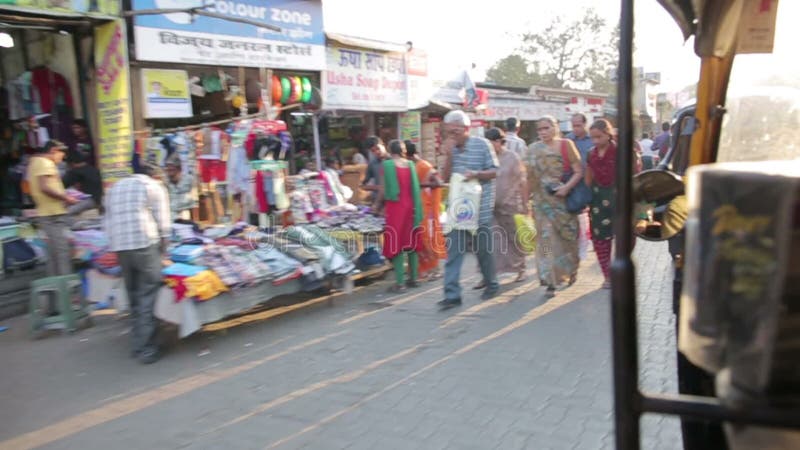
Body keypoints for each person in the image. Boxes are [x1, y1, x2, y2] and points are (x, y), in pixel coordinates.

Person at [104, 162, 171, 364]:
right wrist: (165, 250)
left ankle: (137, 344)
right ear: (154, 175)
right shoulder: (152, 186)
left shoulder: (114, 188)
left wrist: (113, 246)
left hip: (121, 246)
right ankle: (147, 349)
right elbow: (164, 222)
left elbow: (107, 220)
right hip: (144, 243)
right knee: (148, 294)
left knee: (133, 293)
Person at [439, 110, 499, 308]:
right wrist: (448, 155)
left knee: (483, 251)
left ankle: (491, 283)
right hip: (458, 209)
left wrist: (476, 174)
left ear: (466, 129)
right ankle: (452, 295)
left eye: (455, 132)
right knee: (454, 252)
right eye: (449, 132)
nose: (452, 136)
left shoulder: (482, 145)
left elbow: (495, 171)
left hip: (480, 208)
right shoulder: (451, 148)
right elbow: (445, 178)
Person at [525, 115, 583, 298]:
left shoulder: (566, 145)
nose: (543, 132)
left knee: (568, 240)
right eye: (540, 129)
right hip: (542, 203)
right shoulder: (532, 150)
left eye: (546, 128)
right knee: (546, 242)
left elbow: (578, 171)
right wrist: (525, 201)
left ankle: (570, 271)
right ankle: (549, 279)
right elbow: (529, 178)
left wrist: (566, 188)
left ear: (555, 127)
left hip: (563, 202)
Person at [26, 140, 77, 276]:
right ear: (54, 151)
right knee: (62, 252)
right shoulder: (45, 163)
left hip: (47, 213)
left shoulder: (34, 162)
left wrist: (62, 198)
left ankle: (56, 287)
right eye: (62, 154)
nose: (62, 157)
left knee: (53, 253)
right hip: (52, 215)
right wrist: (65, 198)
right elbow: (44, 187)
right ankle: (66, 288)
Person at [486, 127, 529, 282]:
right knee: (491, 240)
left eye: (491, 143)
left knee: (514, 238)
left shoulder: (512, 157)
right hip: (490, 206)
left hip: (510, 205)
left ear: (499, 141)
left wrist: (525, 204)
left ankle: (521, 268)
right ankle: (488, 275)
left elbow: (523, 181)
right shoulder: (487, 158)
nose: (489, 147)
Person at [381, 140, 423, 293]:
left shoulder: (387, 165)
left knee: (396, 243)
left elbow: (386, 190)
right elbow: (415, 188)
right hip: (411, 206)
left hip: (396, 208)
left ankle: (400, 283)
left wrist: (378, 207)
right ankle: (414, 278)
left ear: (390, 150)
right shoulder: (411, 165)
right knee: (411, 242)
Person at [405, 140, 446, 280]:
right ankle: (424, 270)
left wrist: (419, 185)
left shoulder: (424, 165)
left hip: (426, 209)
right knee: (420, 239)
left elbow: (439, 183)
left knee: (427, 238)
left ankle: (436, 270)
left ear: (408, 155)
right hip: (418, 207)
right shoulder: (413, 165)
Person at [584, 119, 618, 289]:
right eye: (593, 138)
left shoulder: (621, 151)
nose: (595, 141)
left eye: (599, 137)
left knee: (626, 239)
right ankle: (607, 276)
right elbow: (588, 175)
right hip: (598, 201)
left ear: (608, 133)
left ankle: (619, 273)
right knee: (600, 240)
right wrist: (585, 198)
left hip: (619, 199)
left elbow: (633, 175)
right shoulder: (591, 153)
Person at [567, 113, 593, 262]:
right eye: (573, 126)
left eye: (578, 125)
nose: (576, 129)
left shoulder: (593, 139)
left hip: (588, 183)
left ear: (585, 124)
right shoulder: (568, 140)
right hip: (572, 185)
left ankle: (586, 245)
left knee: (587, 217)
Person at [63, 150, 103, 217]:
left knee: (64, 213)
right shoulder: (94, 169)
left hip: (88, 201)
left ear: (71, 163)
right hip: (98, 200)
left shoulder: (75, 172)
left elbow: (62, 185)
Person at [164, 153, 197, 221]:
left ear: (179, 169)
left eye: (172, 168)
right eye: (167, 168)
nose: (169, 171)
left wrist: (195, 222)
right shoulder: (165, 182)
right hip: (169, 216)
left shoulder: (189, 180)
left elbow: (195, 203)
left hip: (185, 215)